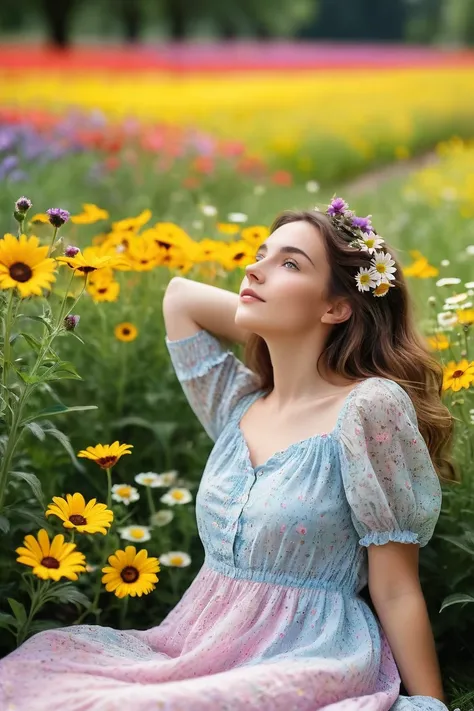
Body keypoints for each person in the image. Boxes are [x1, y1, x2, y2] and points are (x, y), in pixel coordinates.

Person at [0, 198, 456, 711]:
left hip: (308, 655)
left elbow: (395, 587)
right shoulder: (237, 406)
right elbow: (179, 298)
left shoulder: (368, 408)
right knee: (37, 677)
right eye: (259, 254)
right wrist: (282, 329)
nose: (254, 269)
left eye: (289, 264)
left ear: (336, 306)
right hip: (195, 647)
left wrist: (431, 704)